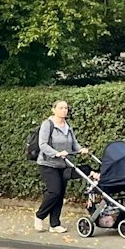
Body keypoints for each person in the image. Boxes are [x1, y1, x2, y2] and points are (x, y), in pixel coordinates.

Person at [34, 99, 89, 233]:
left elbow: (73, 143)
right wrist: (56, 153)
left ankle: (55, 224)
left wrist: (80, 149)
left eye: (66, 108)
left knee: (60, 194)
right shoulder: (48, 124)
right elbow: (43, 144)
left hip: (63, 164)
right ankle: (39, 216)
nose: (64, 110)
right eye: (61, 108)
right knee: (54, 191)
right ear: (54, 110)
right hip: (48, 163)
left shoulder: (67, 125)